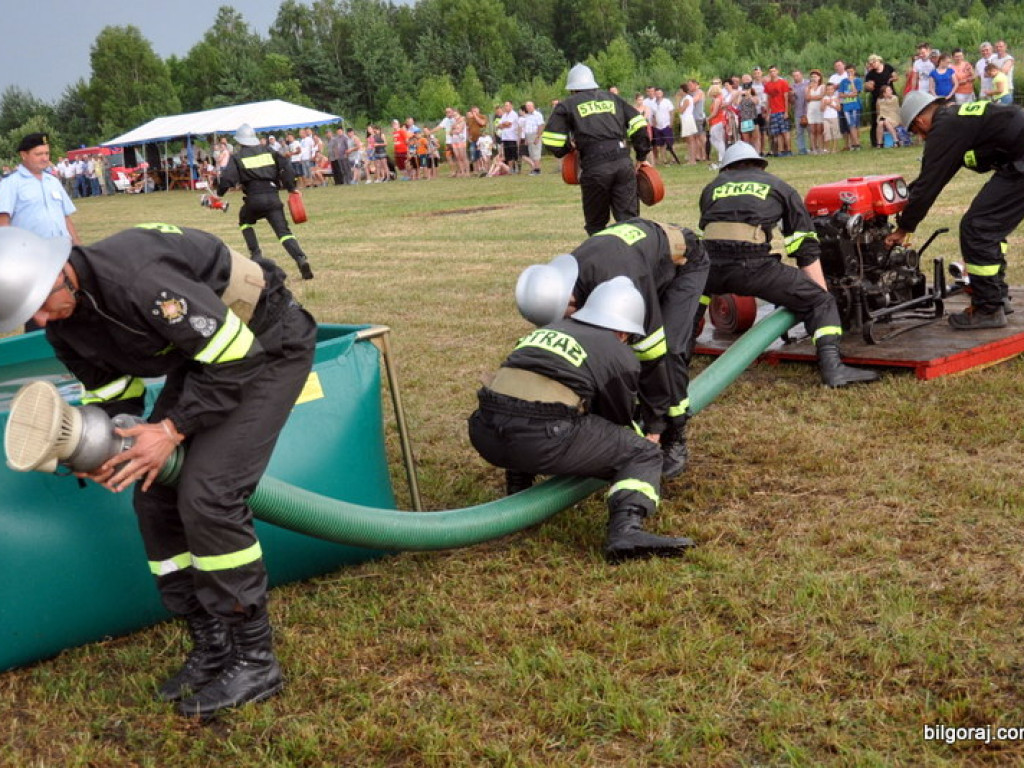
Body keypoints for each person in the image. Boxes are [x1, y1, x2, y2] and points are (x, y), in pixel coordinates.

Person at [0, 222, 317, 718]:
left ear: (61, 269)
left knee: (210, 494)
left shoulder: (139, 280)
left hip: (265, 346)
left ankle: (255, 658)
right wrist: (106, 449)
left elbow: (235, 357)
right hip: (204, 360)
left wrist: (171, 430)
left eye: (43, 303)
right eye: (29, 317)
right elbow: (112, 396)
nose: (43, 320)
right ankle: (211, 643)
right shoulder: (62, 324)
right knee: (151, 490)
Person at [468, 276, 696, 563]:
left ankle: (518, 491)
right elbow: (616, 420)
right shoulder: (617, 352)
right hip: (539, 440)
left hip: (484, 431)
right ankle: (626, 530)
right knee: (642, 453)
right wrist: (649, 435)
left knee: (523, 408)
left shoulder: (550, 329)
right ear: (624, 332)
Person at [515, 218, 709, 481]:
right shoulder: (563, 279)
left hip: (684, 262)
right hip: (642, 255)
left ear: (570, 298)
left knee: (669, 349)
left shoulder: (622, 279)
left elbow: (651, 356)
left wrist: (654, 428)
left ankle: (675, 433)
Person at [698, 141, 880, 387]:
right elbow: (803, 247)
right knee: (820, 301)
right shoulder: (778, 186)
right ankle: (833, 368)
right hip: (754, 269)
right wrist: (821, 295)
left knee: (696, 296)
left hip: (709, 270)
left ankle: (678, 352)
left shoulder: (712, 188)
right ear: (760, 166)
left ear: (726, 169)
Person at [885, 93, 1024, 329]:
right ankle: (996, 296)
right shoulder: (957, 117)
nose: (921, 137)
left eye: (917, 133)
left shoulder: (944, 126)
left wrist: (905, 227)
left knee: (978, 227)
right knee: (988, 227)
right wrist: (903, 199)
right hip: (1018, 159)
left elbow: (931, 182)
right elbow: (933, 176)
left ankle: (989, 309)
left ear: (920, 122)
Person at [543, 64, 652, 235]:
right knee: (630, 221)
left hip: (595, 166)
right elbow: (639, 125)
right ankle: (634, 257)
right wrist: (641, 155)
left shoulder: (567, 105)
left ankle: (601, 258)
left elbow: (551, 140)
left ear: (572, 89)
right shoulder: (613, 98)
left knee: (596, 224)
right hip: (623, 163)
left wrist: (567, 149)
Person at [0, 132, 82, 331]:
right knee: (38, 310)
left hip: (63, 255)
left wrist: (79, 248)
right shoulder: (10, 185)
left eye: (46, 153)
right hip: (34, 260)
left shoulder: (52, 181)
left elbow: (65, 218)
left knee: (72, 305)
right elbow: (3, 224)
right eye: (39, 154)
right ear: (24, 155)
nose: (45, 158)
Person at [217, 123, 314, 280]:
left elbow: (227, 178)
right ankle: (300, 258)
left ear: (240, 141)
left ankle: (256, 255)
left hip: (254, 199)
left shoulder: (238, 156)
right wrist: (290, 188)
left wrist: (219, 193)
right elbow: (287, 167)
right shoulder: (269, 151)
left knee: (244, 221)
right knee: (283, 233)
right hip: (272, 197)